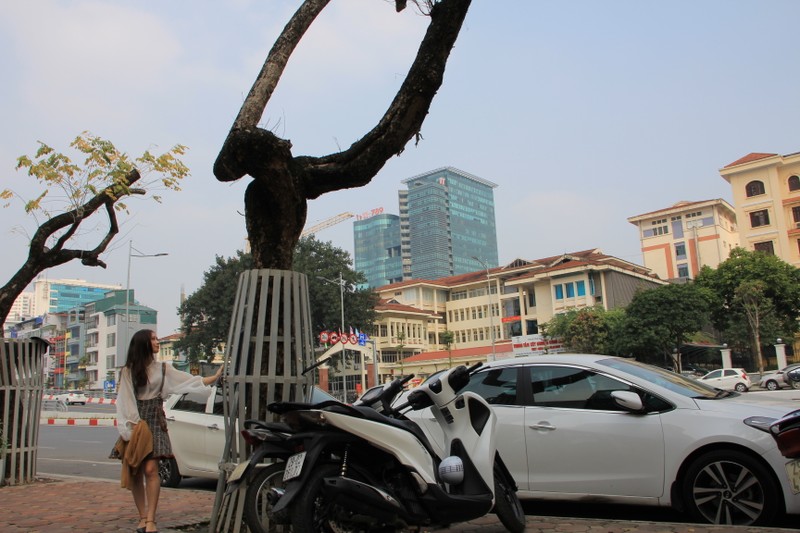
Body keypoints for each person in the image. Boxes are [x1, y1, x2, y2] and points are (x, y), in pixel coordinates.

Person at [113, 329, 222, 533]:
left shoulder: (163, 368)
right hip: (135, 423)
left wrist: (214, 377)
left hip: (155, 420)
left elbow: (188, 381)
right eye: (153, 339)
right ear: (143, 344)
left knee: (151, 470)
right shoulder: (127, 371)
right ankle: (142, 517)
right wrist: (133, 428)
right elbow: (124, 401)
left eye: (156, 339)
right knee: (136, 472)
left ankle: (151, 520)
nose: (157, 342)